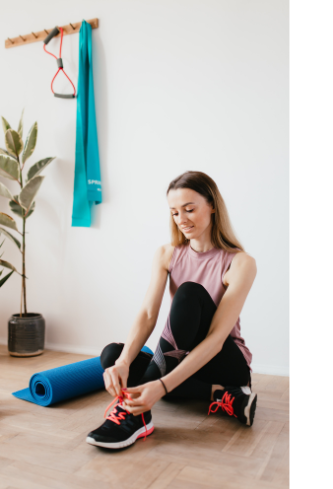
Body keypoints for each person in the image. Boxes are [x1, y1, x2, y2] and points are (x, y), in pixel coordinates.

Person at [86, 171, 257, 450]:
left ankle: (136, 416)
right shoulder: (167, 254)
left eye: (189, 209)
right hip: (180, 356)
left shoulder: (240, 263)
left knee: (189, 293)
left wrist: (162, 386)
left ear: (212, 205)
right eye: (175, 212)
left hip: (225, 360)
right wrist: (124, 363)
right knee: (113, 355)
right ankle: (224, 397)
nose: (182, 219)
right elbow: (148, 315)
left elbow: (215, 339)